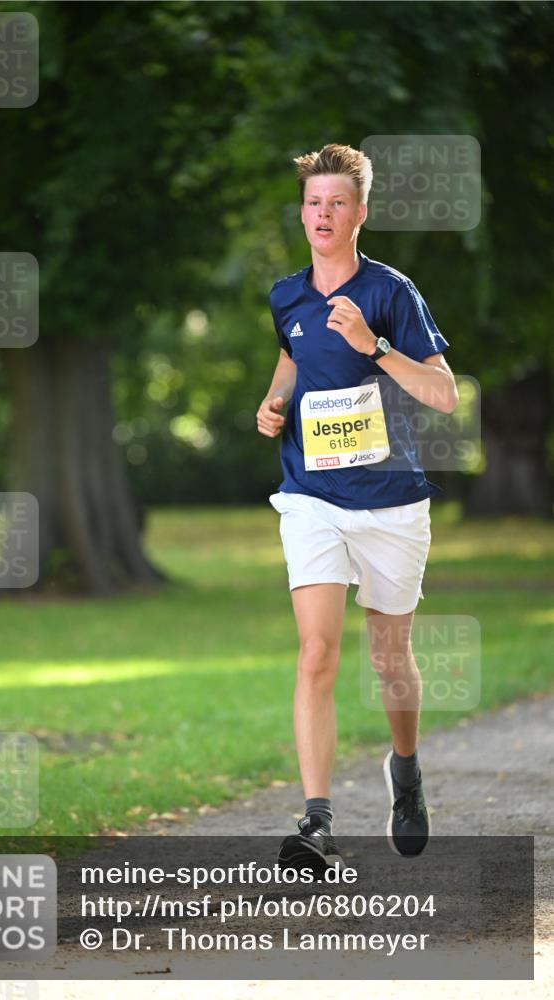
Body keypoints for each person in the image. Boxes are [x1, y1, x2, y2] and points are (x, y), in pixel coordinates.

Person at [257, 143, 457, 873]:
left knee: (388, 657)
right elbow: (291, 352)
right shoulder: (286, 294)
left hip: (392, 502)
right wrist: (274, 400)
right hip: (310, 495)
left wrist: (374, 348)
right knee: (316, 652)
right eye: (313, 202)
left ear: (359, 213)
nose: (322, 213)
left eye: (337, 202)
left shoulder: (391, 293)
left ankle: (404, 770)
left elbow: (444, 393)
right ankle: (316, 822)